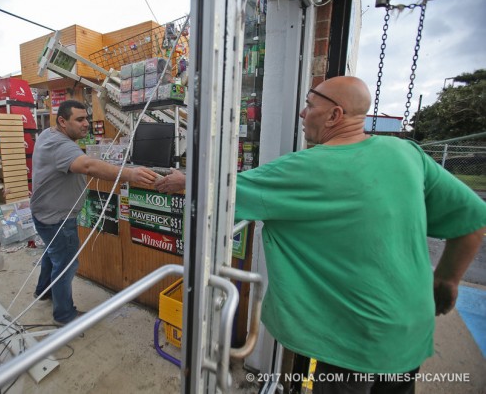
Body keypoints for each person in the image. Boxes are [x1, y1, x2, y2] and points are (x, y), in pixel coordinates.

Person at [156, 76, 486, 393]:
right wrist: (445, 281)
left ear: (334, 115)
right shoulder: (407, 154)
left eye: (309, 105)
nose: (302, 113)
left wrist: (182, 180)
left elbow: (219, 189)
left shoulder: (298, 170)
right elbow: (473, 221)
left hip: (352, 343)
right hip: (410, 332)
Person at [31, 99, 158, 325]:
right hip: (57, 219)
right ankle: (64, 315)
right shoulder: (61, 145)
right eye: (79, 119)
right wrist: (128, 174)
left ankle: (44, 291)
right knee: (66, 264)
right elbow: (88, 167)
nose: (86, 124)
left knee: (53, 255)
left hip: (44, 214)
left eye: (86, 118)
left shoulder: (48, 134)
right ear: (62, 121)